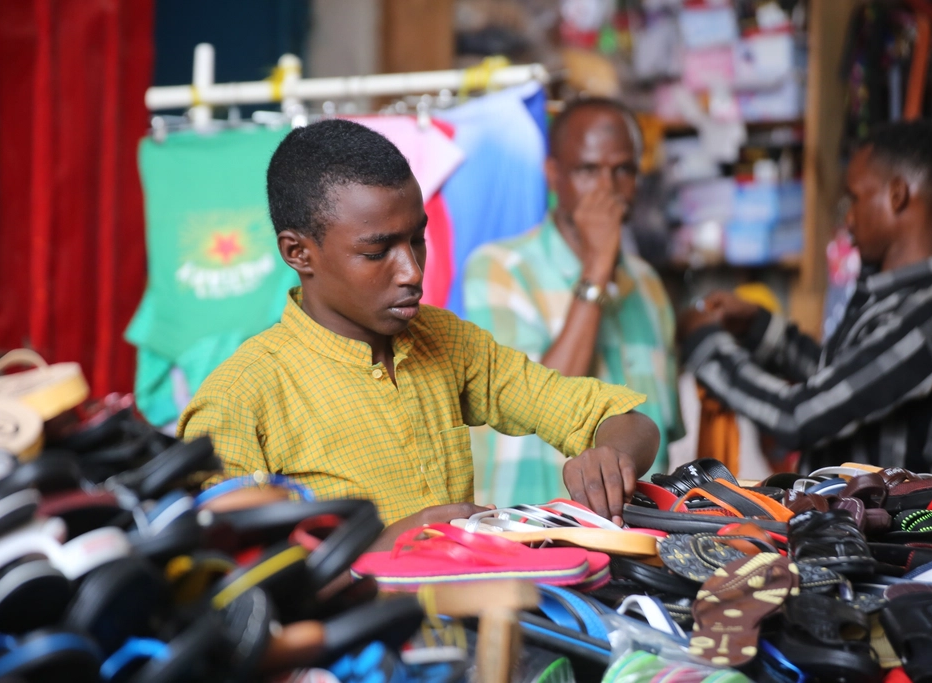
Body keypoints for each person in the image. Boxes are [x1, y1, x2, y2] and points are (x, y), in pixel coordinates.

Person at [178, 119, 660, 548]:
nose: (411, 271)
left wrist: (608, 458)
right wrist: (382, 548)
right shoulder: (241, 399)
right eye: (377, 252)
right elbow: (220, 576)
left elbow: (628, 420)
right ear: (298, 252)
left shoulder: (447, 342)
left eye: (417, 239)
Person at [678, 120, 932, 474]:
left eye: (855, 198)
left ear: (897, 196)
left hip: (881, 529)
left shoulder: (925, 321)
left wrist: (706, 344)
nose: (849, 219)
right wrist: (757, 326)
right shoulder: (899, 301)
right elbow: (841, 377)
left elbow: (799, 416)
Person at [463, 98, 682, 506]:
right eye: (587, 170)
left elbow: (664, 432)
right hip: (536, 533)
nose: (607, 188)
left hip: (642, 536)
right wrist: (598, 267)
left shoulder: (649, 284)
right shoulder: (499, 268)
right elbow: (536, 404)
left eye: (623, 170)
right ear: (553, 175)